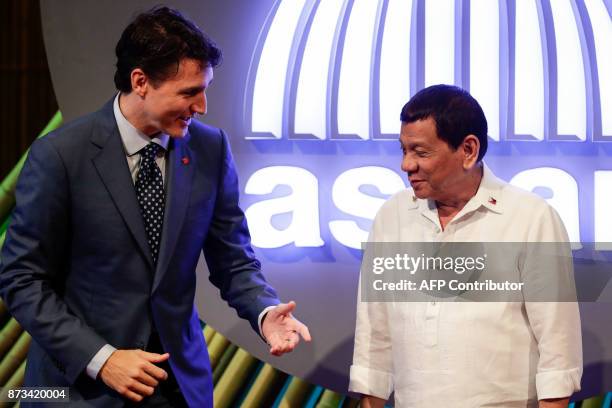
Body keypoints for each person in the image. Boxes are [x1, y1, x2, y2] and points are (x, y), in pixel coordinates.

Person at [0, 6, 310, 407]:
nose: (201, 106)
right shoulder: (60, 155)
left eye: (204, 90)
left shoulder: (209, 149)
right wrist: (102, 358)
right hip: (80, 390)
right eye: (188, 92)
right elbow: (22, 279)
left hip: (177, 389)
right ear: (140, 81)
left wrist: (264, 312)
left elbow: (232, 260)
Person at [349, 85, 582, 407]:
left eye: (420, 152)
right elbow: (373, 335)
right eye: (403, 150)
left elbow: (559, 346)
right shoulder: (392, 216)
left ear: (468, 150)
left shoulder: (531, 217)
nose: (406, 165)